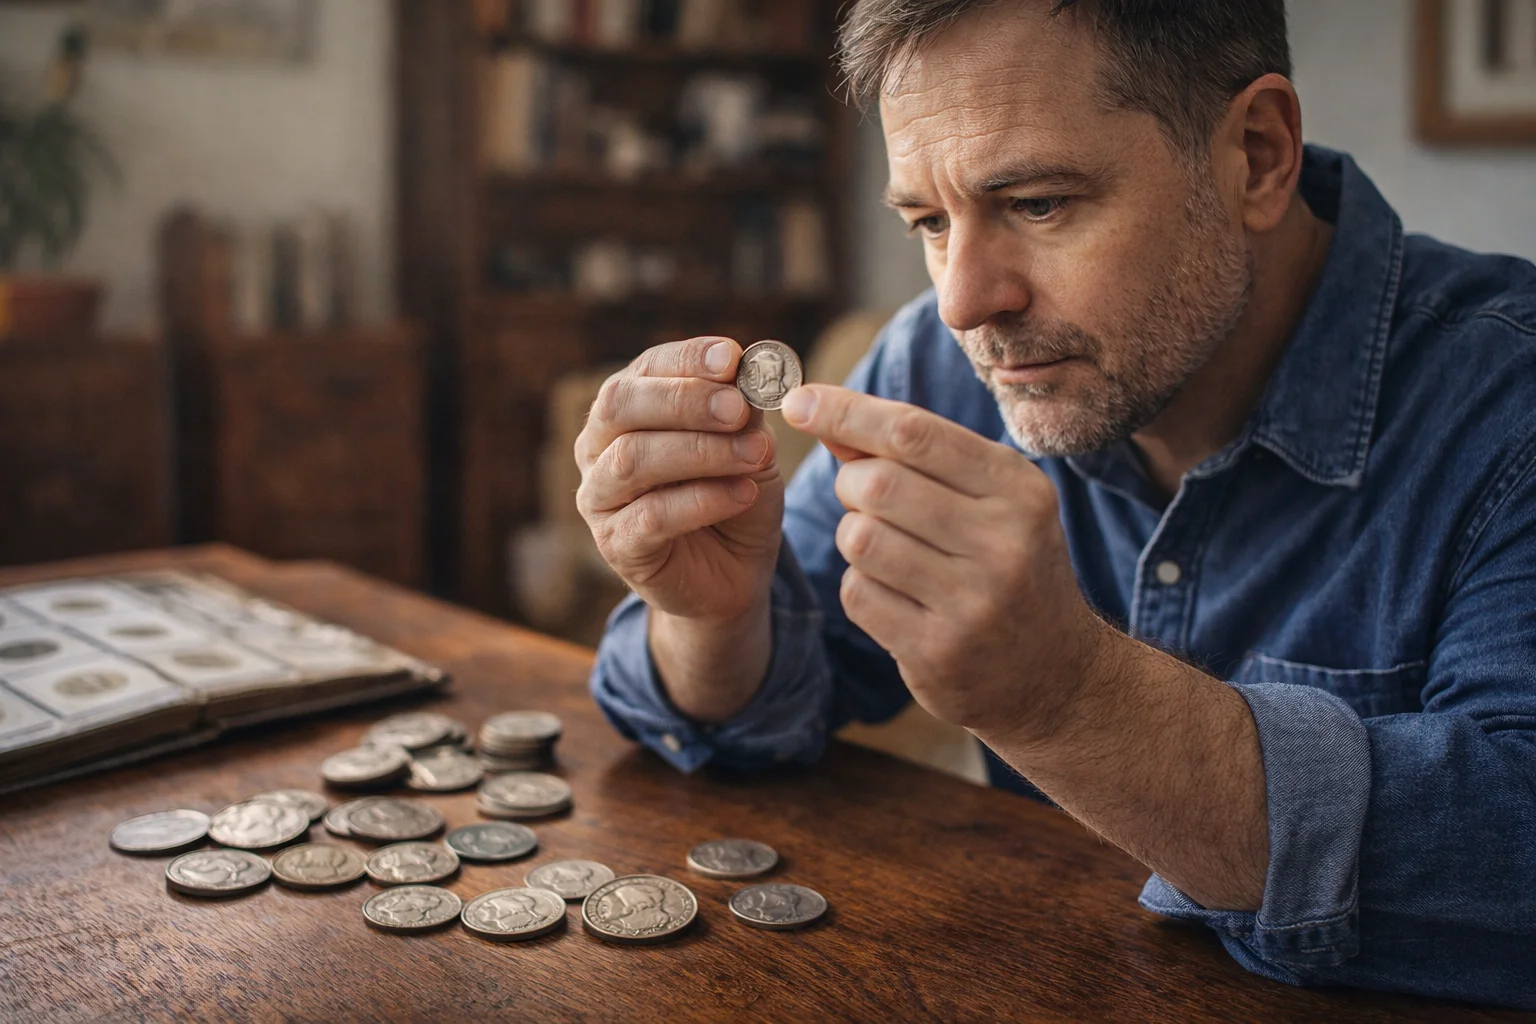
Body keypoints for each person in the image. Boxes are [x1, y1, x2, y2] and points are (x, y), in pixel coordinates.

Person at [576, 0, 1536, 1009]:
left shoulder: (1506, 406)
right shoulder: (940, 363)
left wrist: (1071, 699)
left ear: (1256, 154)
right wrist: (712, 616)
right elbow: (769, 693)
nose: (963, 301)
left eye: (1037, 203)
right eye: (930, 222)